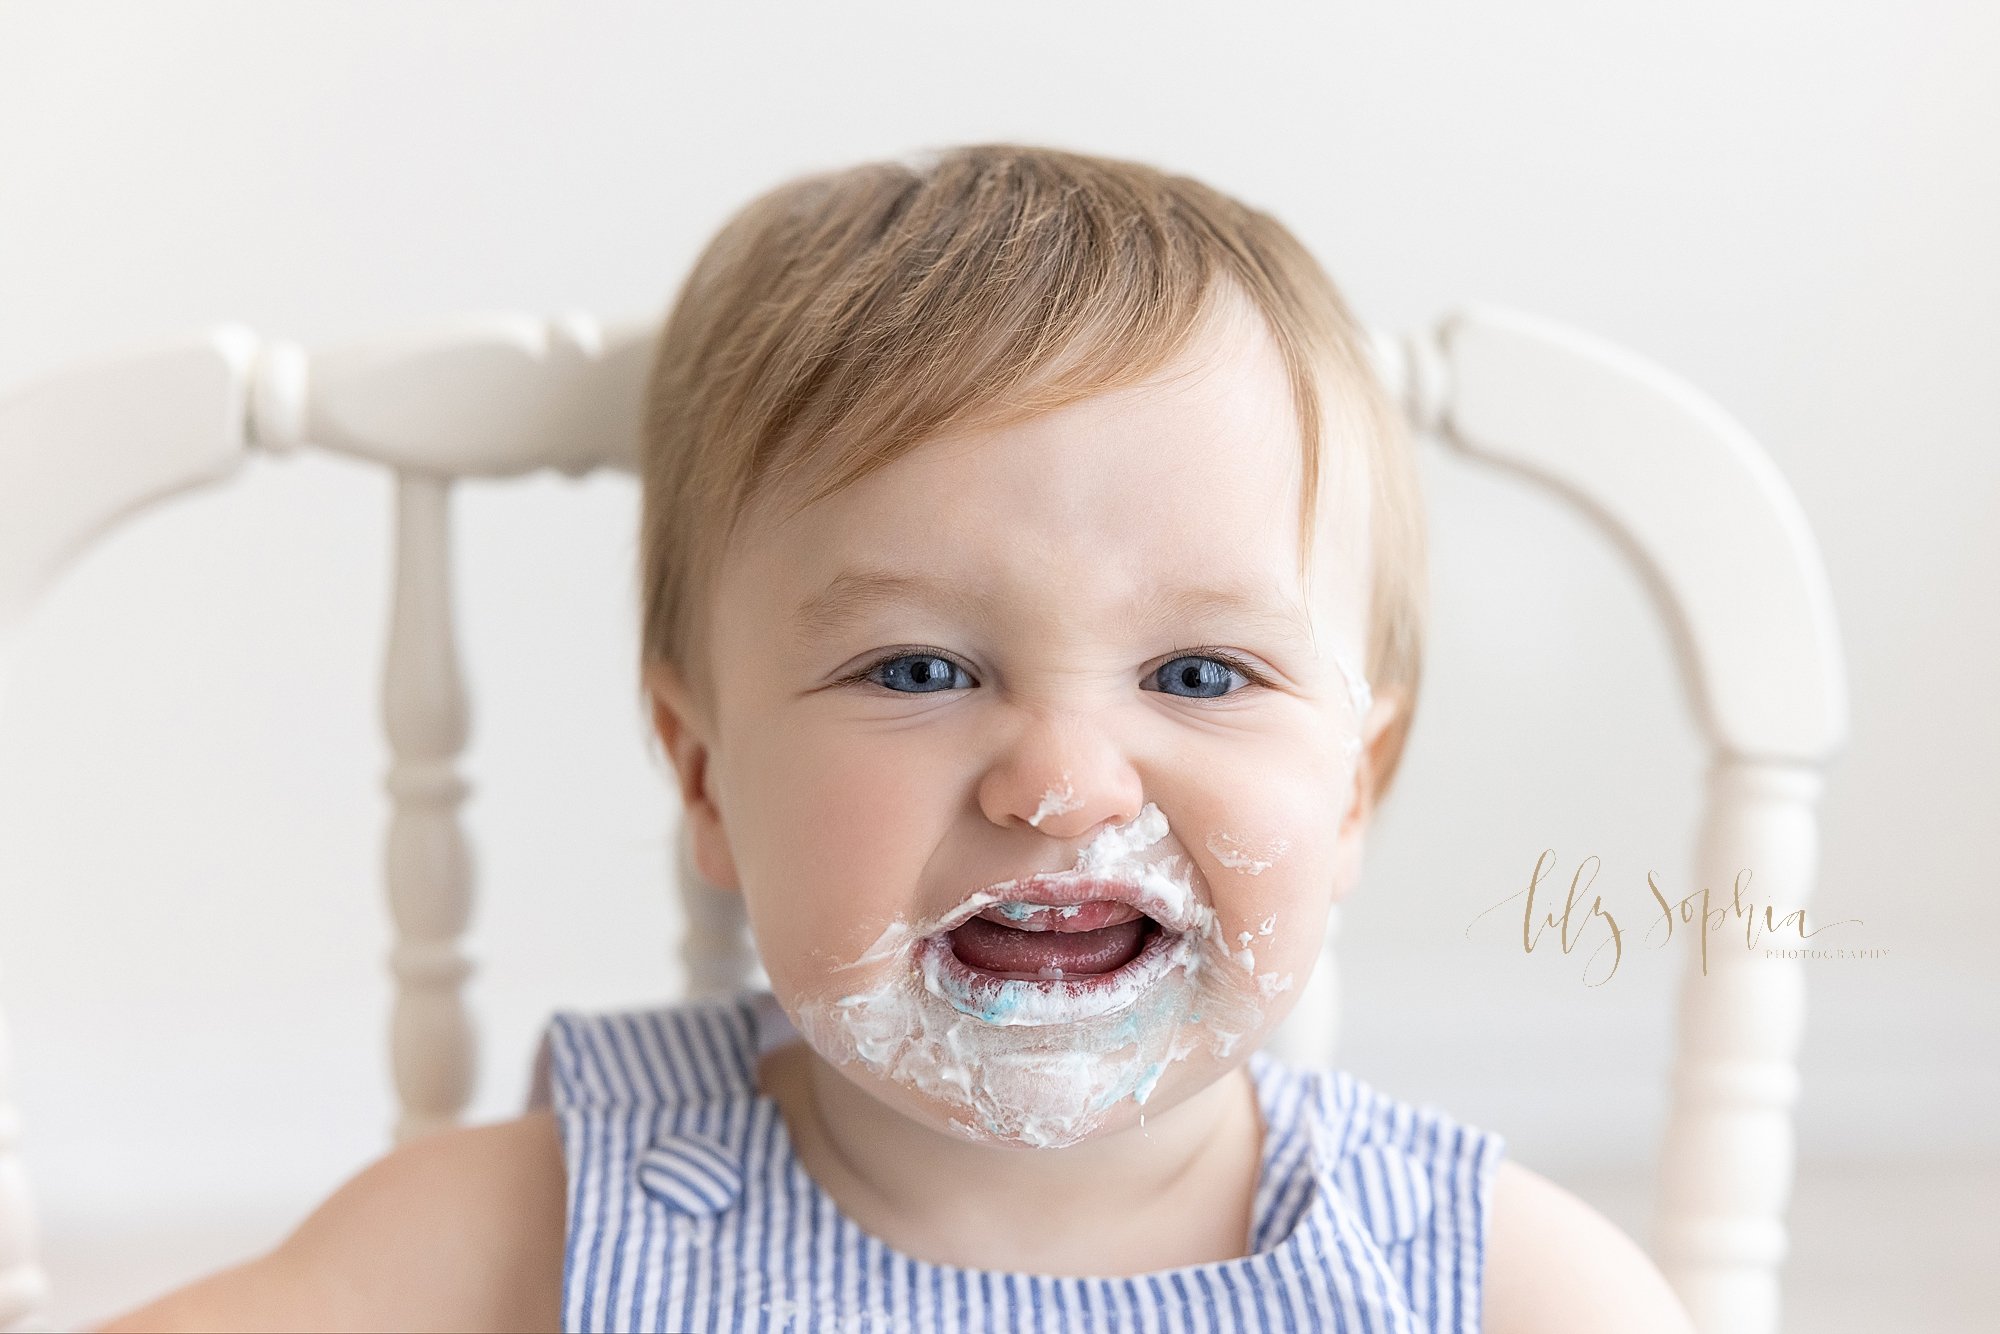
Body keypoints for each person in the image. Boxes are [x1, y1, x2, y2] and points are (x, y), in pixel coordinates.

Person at [98, 143, 1694, 1333]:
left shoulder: (1486, 1279)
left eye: (1201, 674)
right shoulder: (549, 1219)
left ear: (1356, 786)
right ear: (707, 777)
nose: (1065, 783)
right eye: (923, 668)